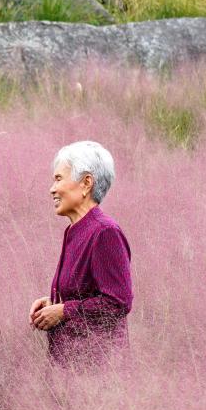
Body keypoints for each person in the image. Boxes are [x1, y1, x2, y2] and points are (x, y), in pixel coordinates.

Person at [30, 141, 133, 366]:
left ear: (86, 183)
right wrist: (53, 303)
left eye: (59, 179)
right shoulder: (75, 230)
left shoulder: (104, 232)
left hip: (98, 370)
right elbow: (85, 292)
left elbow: (118, 302)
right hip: (71, 369)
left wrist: (63, 311)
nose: (52, 189)